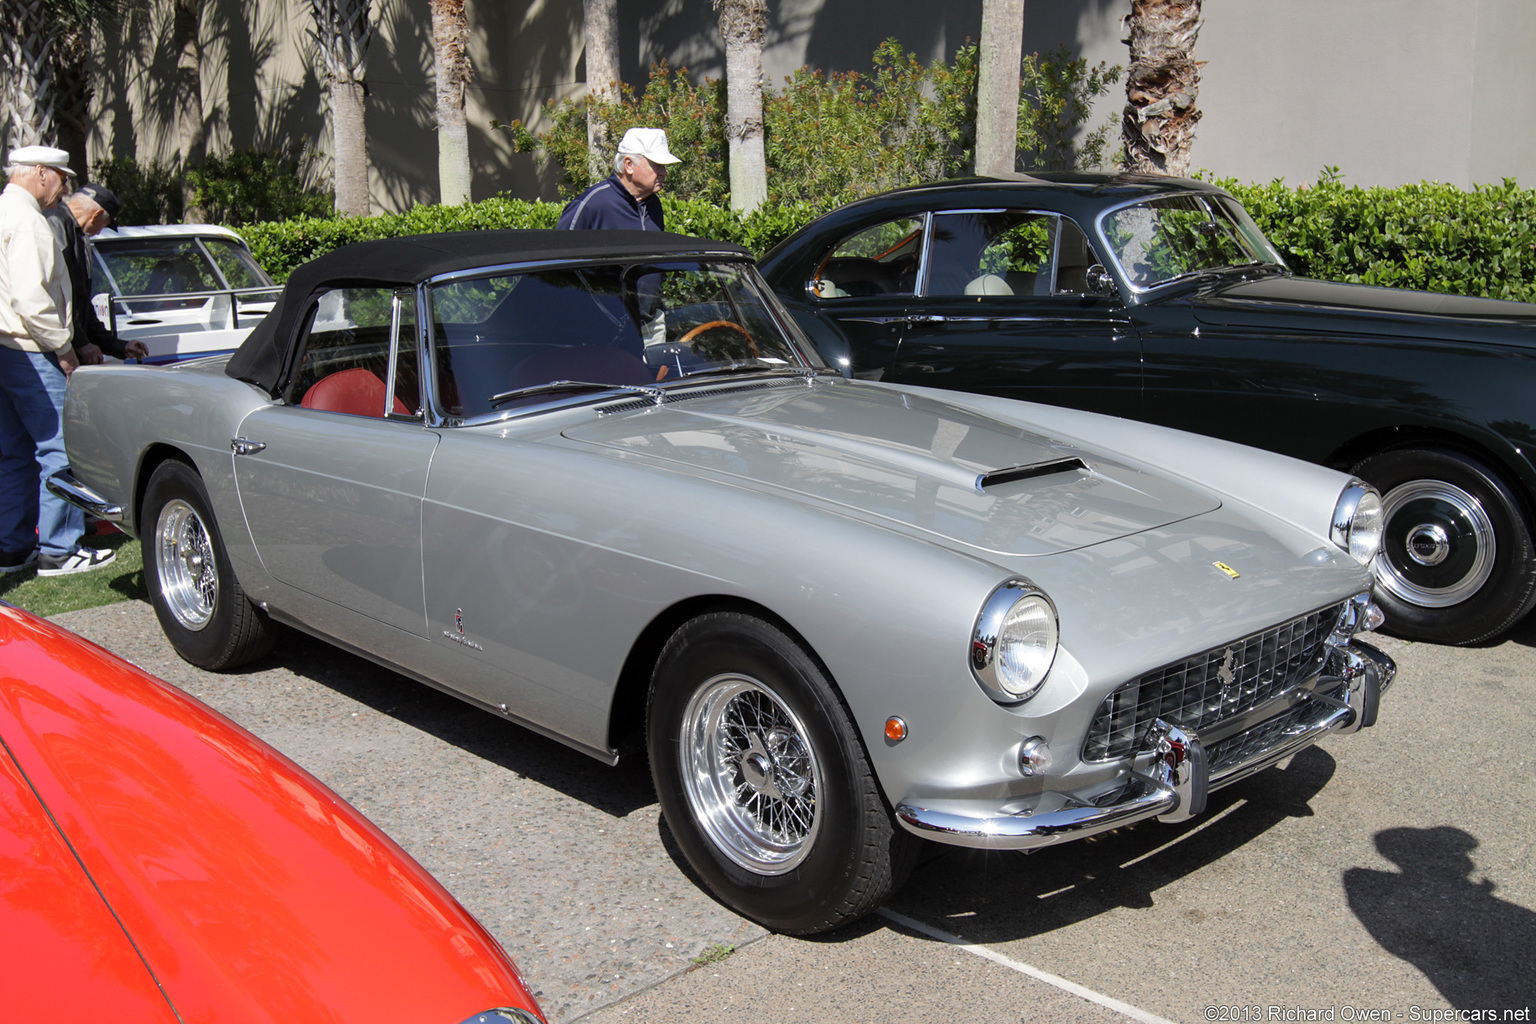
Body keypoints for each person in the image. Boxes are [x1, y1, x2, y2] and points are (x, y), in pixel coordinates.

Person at [0, 145, 116, 577]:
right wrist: (64, 350)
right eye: (62, 178)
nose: (65, 187)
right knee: (59, 448)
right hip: (30, 347)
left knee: (14, 452)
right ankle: (59, 549)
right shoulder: (29, 220)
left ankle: (14, 549)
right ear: (41, 174)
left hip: (6, 349)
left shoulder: (5, 211)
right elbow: (33, 299)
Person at [44, 183, 149, 364]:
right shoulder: (57, 224)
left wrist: (118, 346)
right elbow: (58, 297)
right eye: (104, 225)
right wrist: (82, 343)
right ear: (97, 215)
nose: (99, 231)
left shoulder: (75, 232)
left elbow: (81, 303)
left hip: (66, 347)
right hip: (53, 350)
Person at [557, 127, 681, 232]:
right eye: (656, 165)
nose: (664, 173)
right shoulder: (590, 205)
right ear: (629, 165)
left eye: (664, 166)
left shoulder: (653, 205)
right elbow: (560, 256)